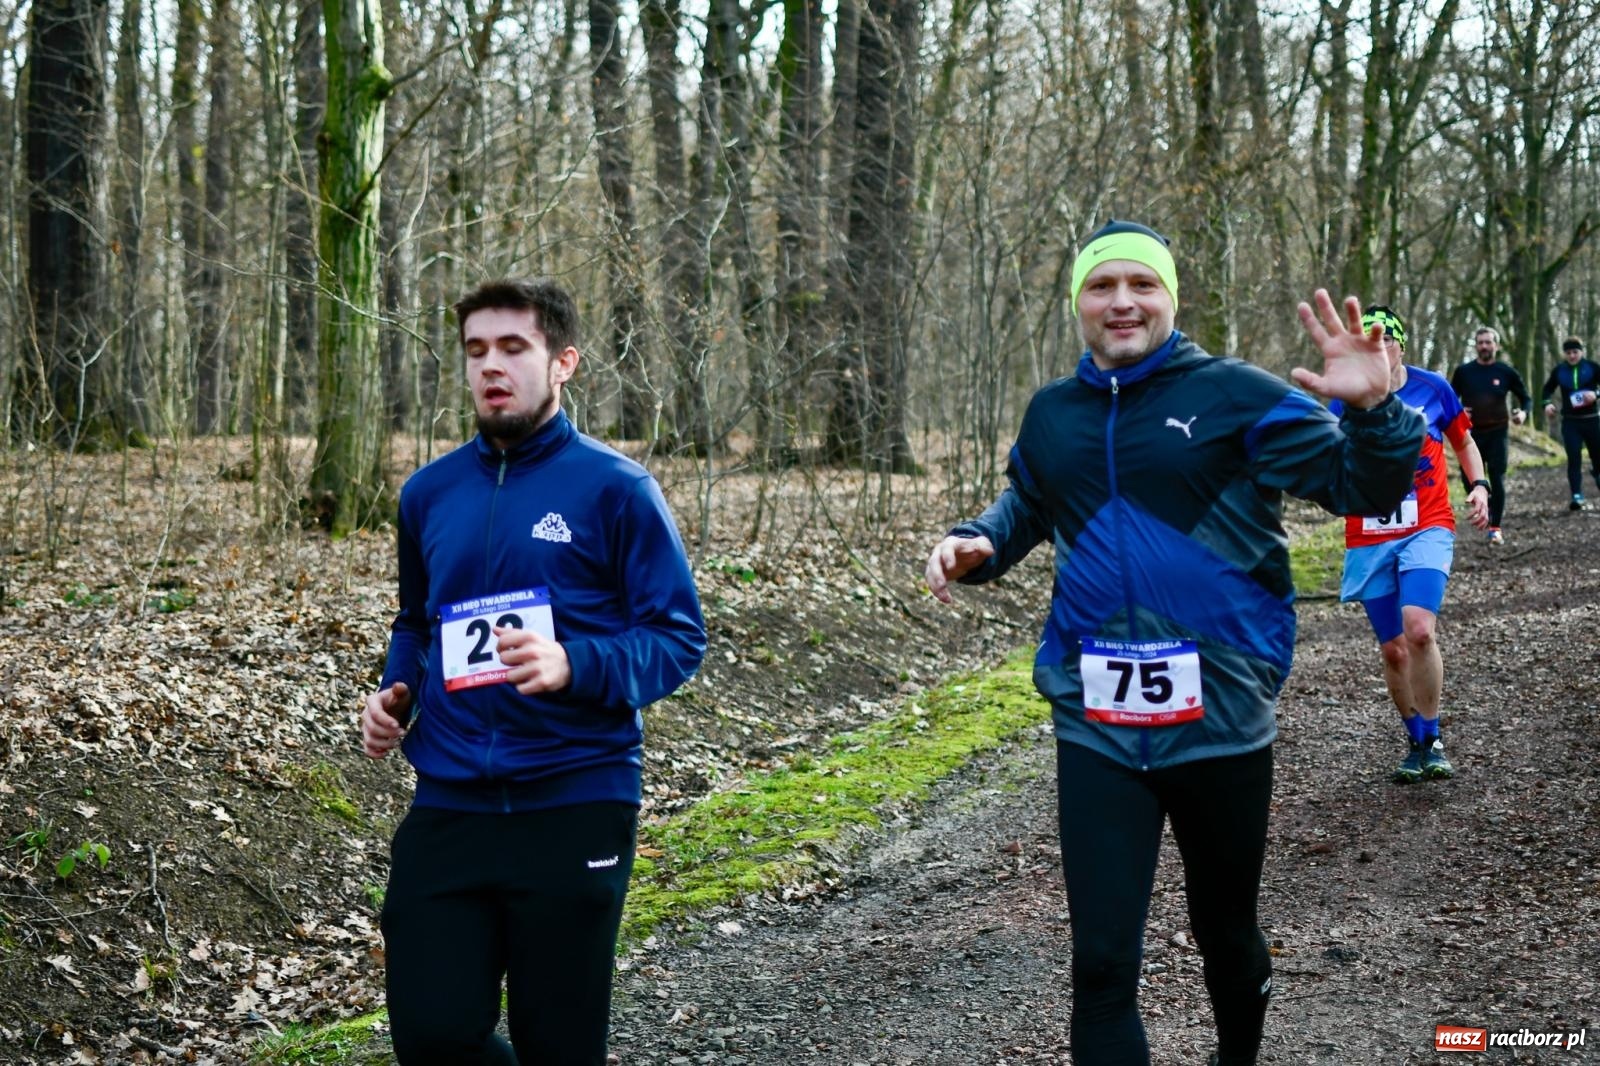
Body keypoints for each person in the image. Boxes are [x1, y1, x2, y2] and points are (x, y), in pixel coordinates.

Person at [924, 219, 1424, 1066]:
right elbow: (1029, 506)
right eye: (1101, 286)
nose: (1122, 302)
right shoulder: (1053, 413)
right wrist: (975, 542)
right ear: (1078, 303)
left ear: (1170, 299)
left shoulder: (1233, 394)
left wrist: (1375, 411)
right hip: (1096, 723)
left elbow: (1362, 487)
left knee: (1224, 934)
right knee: (1102, 966)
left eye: (1142, 285)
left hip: (1220, 718)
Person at [360, 278, 706, 1064]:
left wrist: (574, 663)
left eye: (514, 348)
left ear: (562, 363)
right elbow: (417, 621)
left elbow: (678, 636)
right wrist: (398, 692)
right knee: (435, 1036)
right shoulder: (428, 493)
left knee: (561, 1046)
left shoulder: (617, 490)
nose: (492, 366)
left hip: (576, 797)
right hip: (450, 804)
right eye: (477, 350)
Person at [1330, 306, 1490, 785]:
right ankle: (1415, 741)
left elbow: (1462, 442)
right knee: (1395, 651)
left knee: (1418, 629)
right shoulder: (1346, 397)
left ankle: (1435, 737)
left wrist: (1479, 485)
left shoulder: (1433, 388)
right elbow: (1324, 457)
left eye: (1386, 342)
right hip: (1370, 533)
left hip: (1428, 523)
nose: (1377, 352)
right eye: (1368, 344)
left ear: (1402, 345)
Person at [1450, 327, 1529, 543]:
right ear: (1475, 345)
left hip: (1498, 432)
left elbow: (1526, 399)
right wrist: (1458, 411)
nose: (1484, 346)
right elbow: (1448, 399)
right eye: (1480, 342)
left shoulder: (1506, 372)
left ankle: (1495, 527)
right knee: (1470, 480)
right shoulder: (1463, 372)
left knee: (1497, 478)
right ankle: (1486, 507)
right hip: (1470, 435)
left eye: (1488, 342)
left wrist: (1522, 413)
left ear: (1497, 345)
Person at [1540, 336, 1600, 511]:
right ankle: (1576, 496)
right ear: (1564, 354)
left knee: (1597, 458)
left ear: (1582, 351)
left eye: (1575, 352)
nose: (1572, 356)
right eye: (1569, 353)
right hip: (1571, 423)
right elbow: (1547, 389)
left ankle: (1597, 473)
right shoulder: (1559, 371)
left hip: (1592, 420)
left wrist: (1595, 394)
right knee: (1574, 458)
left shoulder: (1592, 367)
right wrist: (1547, 404)